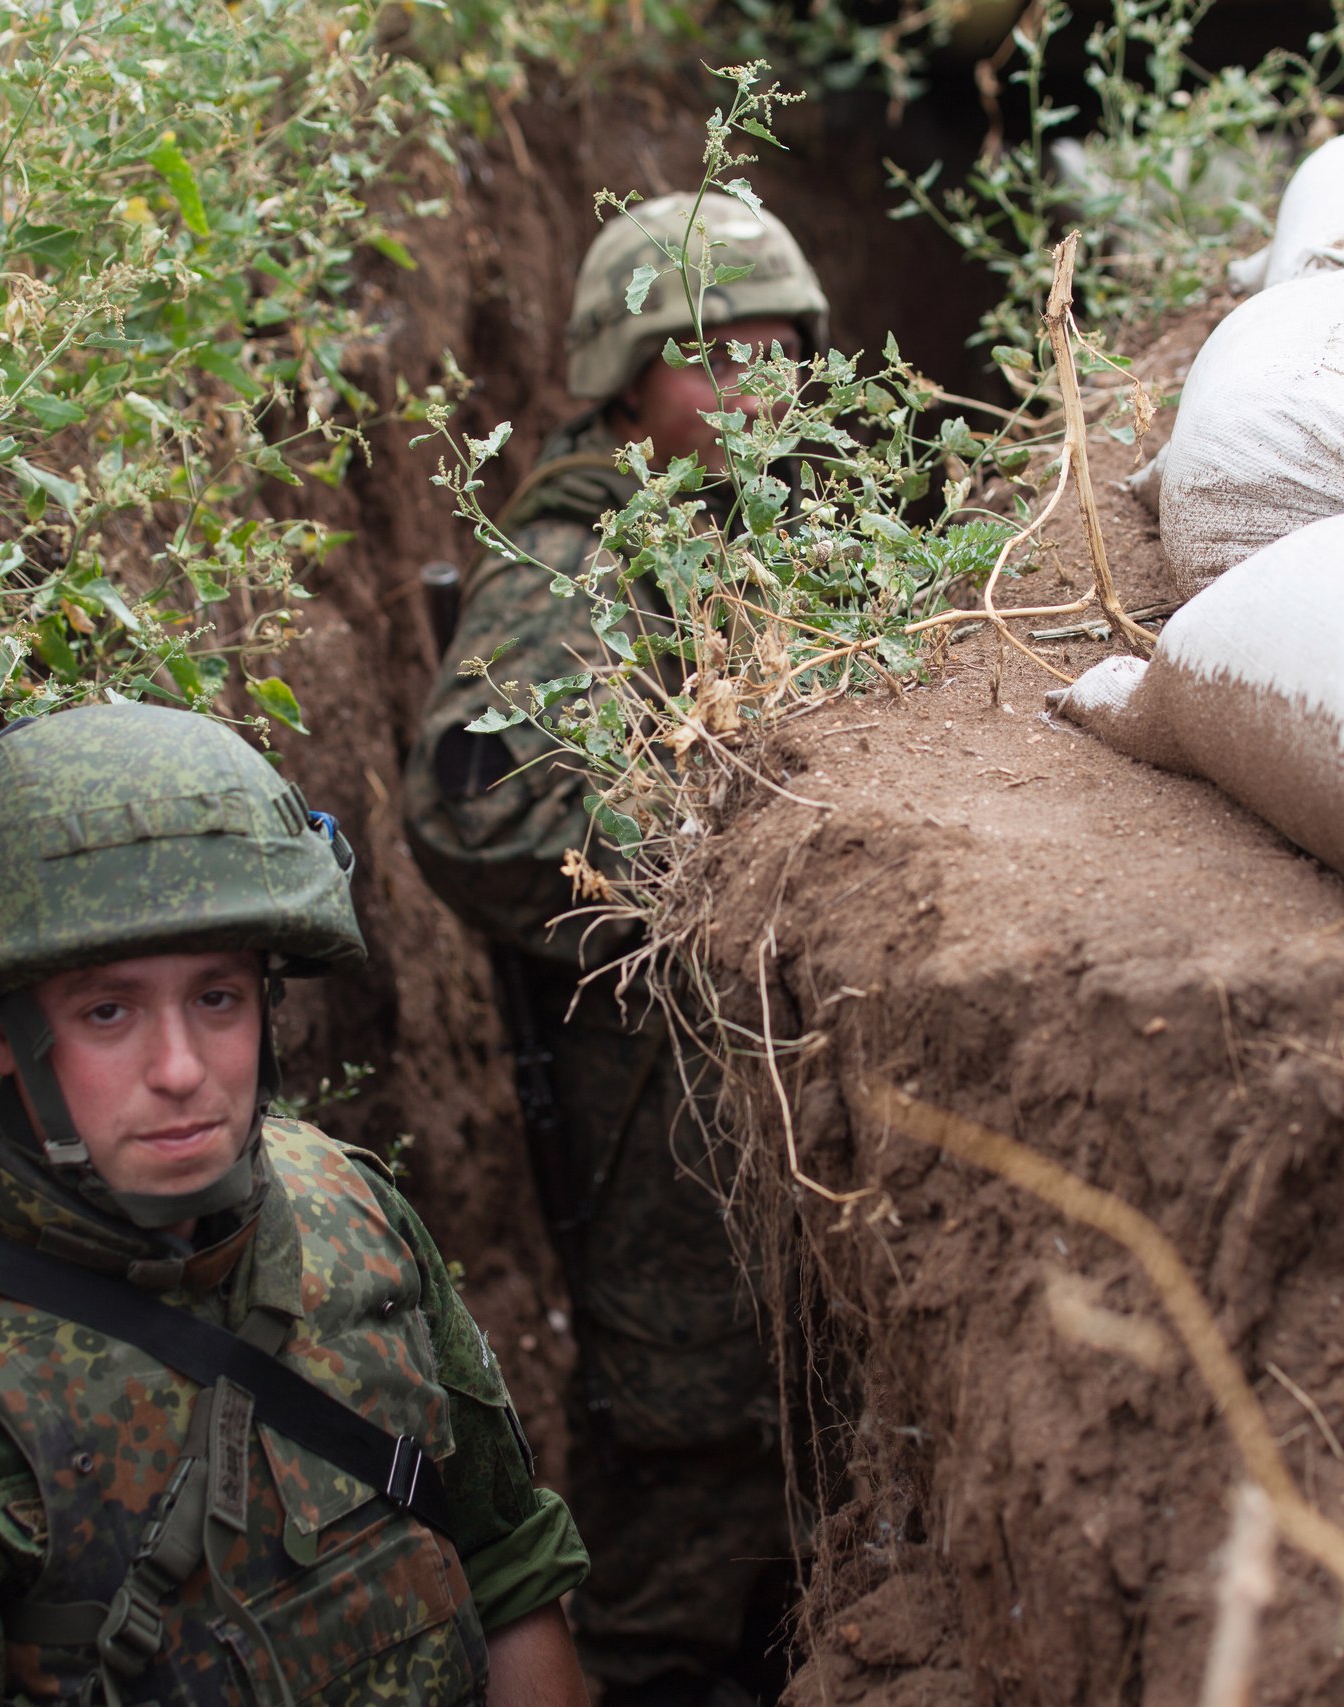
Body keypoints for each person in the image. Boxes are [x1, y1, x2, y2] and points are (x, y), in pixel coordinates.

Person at [0, 703, 589, 1707]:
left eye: (216, 999)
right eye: (108, 1011)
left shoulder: (350, 1209)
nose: (180, 1071)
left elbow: (509, 1572)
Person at [401, 191, 829, 1707]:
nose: (755, 375)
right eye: (711, 348)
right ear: (628, 374)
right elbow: (477, 812)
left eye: (779, 341)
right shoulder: (579, 556)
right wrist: (720, 882)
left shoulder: (771, 520)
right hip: (672, 1120)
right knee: (691, 1521)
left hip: (767, 1098)